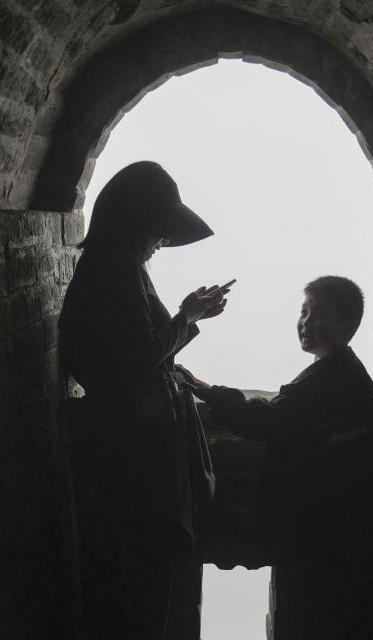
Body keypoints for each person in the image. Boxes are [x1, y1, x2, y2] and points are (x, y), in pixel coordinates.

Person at [57, 161, 228, 640]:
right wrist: (187, 315)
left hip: (136, 457)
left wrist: (185, 320)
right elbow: (138, 356)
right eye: (158, 232)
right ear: (136, 224)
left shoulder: (115, 265)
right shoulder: (114, 268)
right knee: (145, 593)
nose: (161, 244)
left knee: (147, 589)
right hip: (138, 463)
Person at [179, 276, 373, 639]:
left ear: (349, 325)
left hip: (312, 529)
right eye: (304, 312)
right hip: (322, 527)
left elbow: (270, 419)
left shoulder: (334, 378)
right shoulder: (337, 372)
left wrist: (208, 391)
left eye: (320, 315)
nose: (307, 323)